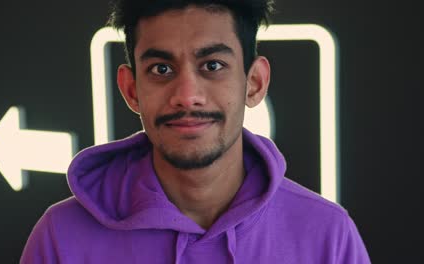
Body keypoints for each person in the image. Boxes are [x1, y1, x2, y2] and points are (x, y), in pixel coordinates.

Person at [21, 0, 371, 263]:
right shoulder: (60, 238)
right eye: (161, 68)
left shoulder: (328, 237)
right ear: (131, 90)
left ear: (254, 83)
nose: (187, 95)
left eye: (213, 65)